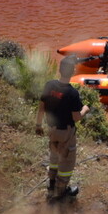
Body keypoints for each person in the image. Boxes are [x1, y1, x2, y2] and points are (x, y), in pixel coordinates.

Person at [36, 55, 90, 201]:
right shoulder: (72, 93)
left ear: (59, 69)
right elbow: (76, 117)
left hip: (51, 129)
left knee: (54, 157)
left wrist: (38, 125)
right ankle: (60, 193)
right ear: (72, 72)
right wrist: (85, 109)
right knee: (66, 162)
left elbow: (41, 107)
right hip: (66, 133)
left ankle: (51, 184)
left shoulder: (49, 85)